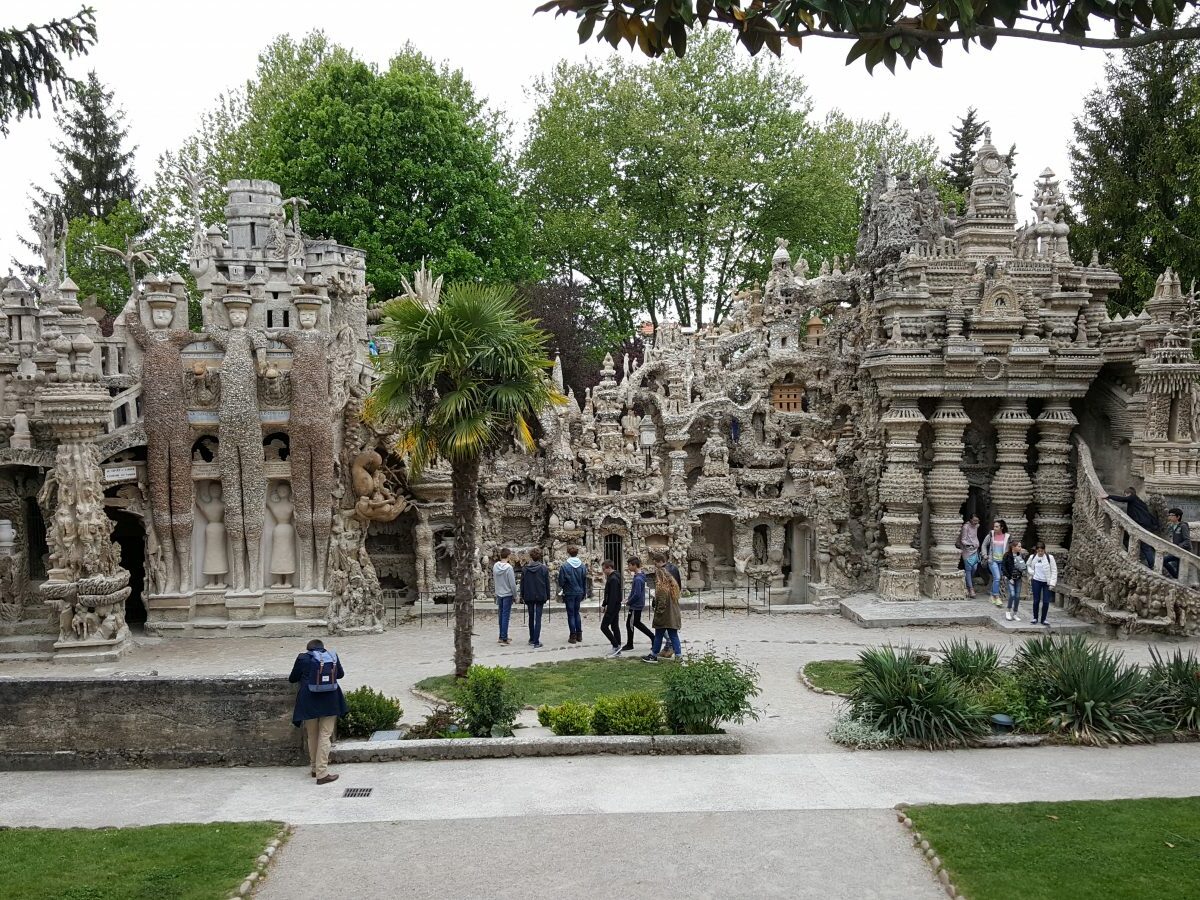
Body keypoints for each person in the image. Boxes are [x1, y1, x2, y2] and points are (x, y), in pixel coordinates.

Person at [288, 638, 348, 785]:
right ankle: (322, 773)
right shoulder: (332, 657)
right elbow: (340, 674)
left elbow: (292, 678)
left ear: (308, 649)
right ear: (323, 648)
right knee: (325, 735)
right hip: (330, 700)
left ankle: (315, 768)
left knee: (312, 734)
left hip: (308, 700)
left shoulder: (303, 658)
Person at [643, 556, 683, 663]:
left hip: (664, 614)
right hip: (673, 613)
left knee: (659, 634)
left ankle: (654, 655)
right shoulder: (673, 586)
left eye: (656, 564)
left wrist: (658, 613)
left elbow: (661, 600)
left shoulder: (662, 586)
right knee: (673, 635)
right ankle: (679, 657)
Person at [1107, 487, 1159, 567]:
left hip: (1142, 524)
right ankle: (1136, 557)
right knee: (1127, 539)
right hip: (1143, 524)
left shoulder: (1133, 498)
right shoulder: (1140, 502)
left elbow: (1121, 499)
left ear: (1129, 494)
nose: (1125, 496)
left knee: (1145, 546)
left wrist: (1108, 496)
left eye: (1125, 495)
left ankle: (1152, 566)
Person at [557, 545, 589, 644]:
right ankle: (579, 635)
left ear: (568, 553)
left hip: (569, 592)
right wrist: (584, 591)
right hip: (579, 591)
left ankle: (573, 636)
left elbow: (561, 581)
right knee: (577, 612)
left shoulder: (564, 566)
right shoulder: (582, 566)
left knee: (571, 614)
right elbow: (585, 580)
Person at [622, 556, 655, 651]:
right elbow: (635, 592)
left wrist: (629, 602)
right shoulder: (640, 576)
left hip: (636, 605)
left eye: (629, 565)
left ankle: (630, 644)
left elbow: (636, 594)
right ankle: (652, 637)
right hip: (637, 604)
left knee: (631, 624)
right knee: (635, 623)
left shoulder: (638, 579)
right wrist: (628, 598)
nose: (628, 567)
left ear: (634, 565)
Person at [521, 548, 550, 648]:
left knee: (531, 617)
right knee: (538, 618)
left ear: (530, 557)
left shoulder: (525, 569)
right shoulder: (543, 568)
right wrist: (547, 595)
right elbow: (547, 583)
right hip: (540, 595)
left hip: (529, 595)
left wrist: (522, 595)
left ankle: (532, 638)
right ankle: (536, 641)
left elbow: (522, 584)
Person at [980, 519, 1009, 607]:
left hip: (1002, 561)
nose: (995, 528)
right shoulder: (991, 535)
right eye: (994, 526)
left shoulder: (1007, 537)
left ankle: (992, 595)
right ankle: (996, 597)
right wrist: (985, 555)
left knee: (998, 578)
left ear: (1002, 527)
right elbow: (984, 545)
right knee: (997, 577)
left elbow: (1011, 547)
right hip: (992, 560)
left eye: (997, 526)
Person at [1028, 542, 1058, 627]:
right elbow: (1028, 566)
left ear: (1044, 550)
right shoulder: (1033, 557)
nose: (1040, 553)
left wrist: (1052, 583)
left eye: (1042, 551)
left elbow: (1054, 570)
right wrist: (1032, 572)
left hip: (1046, 582)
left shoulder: (1050, 558)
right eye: (1039, 551)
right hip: (1036, 581)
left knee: (1046, 601)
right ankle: (1035, 617)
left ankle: (1043, 619)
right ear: (1036, 550)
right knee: (1036, 600)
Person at [600, 560, 624, 657]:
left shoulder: (613, 579)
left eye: (604, 569)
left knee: (604, 627)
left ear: (609, 568)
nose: (603, 571)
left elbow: (613, 596)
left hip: (613, 606)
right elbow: (608, 593)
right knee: (614, 626)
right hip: (614, 605)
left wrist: (609, 609)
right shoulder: (613, 577)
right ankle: (617, 646)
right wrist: (604, 603)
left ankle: (616, 646)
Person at [493, 548, 517, 645]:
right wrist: (515, 595)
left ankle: (501, 635)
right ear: (508, 556)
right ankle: (504, 637)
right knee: (505, 616)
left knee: (501, 615)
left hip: (499, 593)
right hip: (507, 594)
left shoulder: (495, 566)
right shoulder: (509, 568)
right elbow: (512, 584)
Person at [1001, 540, 1028, 622]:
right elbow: (1003, 567)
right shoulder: (1007, 555)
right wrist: (1008, 577)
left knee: (1017, 596)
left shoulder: (1021, 555)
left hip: (1018, 578)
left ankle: (1015, 613)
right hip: (1010, 578)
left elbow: (1023, 566)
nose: (1020, 548)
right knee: (1012, 594)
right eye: (1019, 546)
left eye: (1020, 546)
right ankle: (1008, 611)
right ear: (1013, 547)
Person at [956, 515, 981, 599]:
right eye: (974, 520)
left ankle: (968, 582)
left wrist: (975, 544)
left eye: (977, 520)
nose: (976, 522)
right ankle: (971, 589)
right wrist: (969, 545)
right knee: (968, 568)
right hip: (967, 550)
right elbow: (963, 539)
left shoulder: (976, 526)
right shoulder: (966, 527)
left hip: (974, 549)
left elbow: (975, 535)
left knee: (974, 567)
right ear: (970, 520)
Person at [1164, 508, 1192, 580]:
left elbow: (1187, 541)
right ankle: (1176, 577)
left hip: (1184, 551)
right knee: (1163, 560)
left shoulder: (1183, 526)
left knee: (1180, 572)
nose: (1169, 517)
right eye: (1169, 515)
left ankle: (1177, 579)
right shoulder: (1172, 526)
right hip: (1176, 551)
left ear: (1178, 517)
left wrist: (1177, 546)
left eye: (1172, 515)